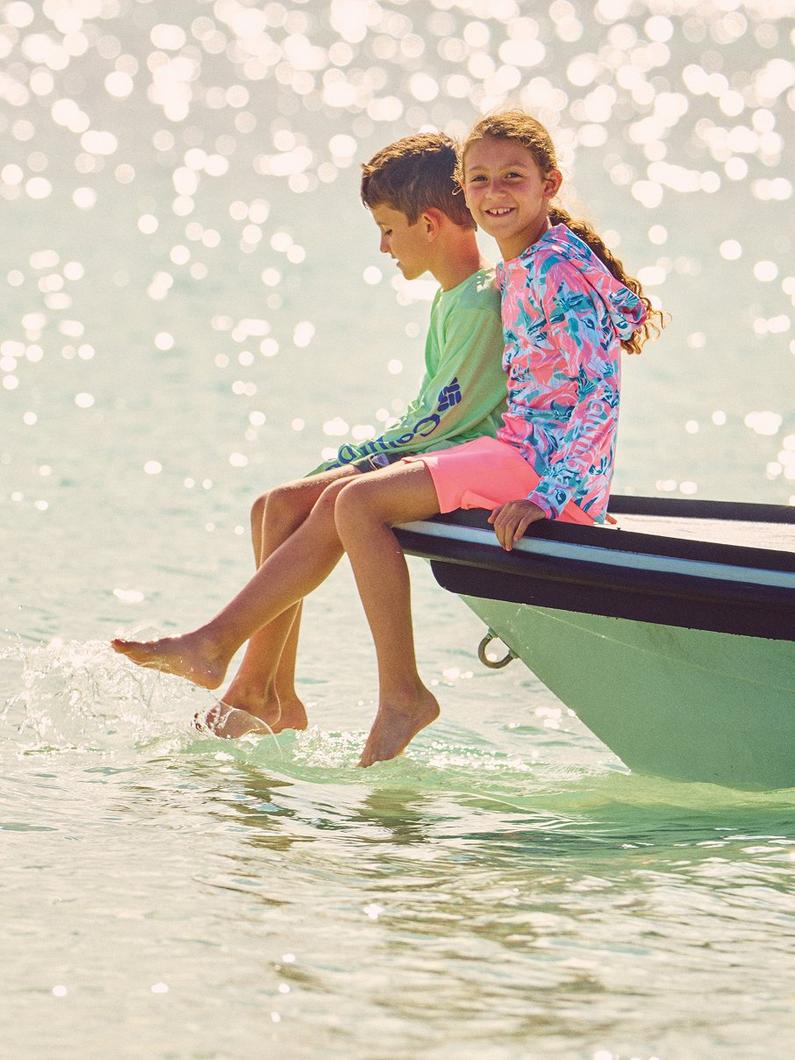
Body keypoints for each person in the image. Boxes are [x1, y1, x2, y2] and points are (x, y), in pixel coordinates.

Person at [112, 110, 664, 765]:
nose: (494, 192)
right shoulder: (524, 267)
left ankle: (349, 685)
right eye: (479, 179)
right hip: (513, 454)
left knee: (353, 501)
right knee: (304, 501)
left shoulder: (545, 271)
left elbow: (593, 392)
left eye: (511, 177)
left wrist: (552, 494)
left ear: (549, 184)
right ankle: (259, 684)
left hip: (533, 469)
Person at [113, 132, 507, 738]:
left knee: (309, 500)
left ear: (428, 224)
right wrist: (360, 456)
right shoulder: (454, 299)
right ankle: (266, 693)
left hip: (460, 466)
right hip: (435, 450)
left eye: (387, 228)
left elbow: (447, 422)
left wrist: (363, 460)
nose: (381, 246)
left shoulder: (479, 304)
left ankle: (232, 666)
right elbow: (435, 411)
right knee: (274, 505)